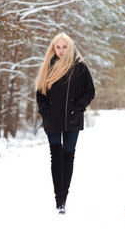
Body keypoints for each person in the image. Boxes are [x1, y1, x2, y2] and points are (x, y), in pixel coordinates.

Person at [35, 33, 95, 214]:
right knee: (56, 157)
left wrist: (77, 108)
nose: (60, 51)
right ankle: (58, 200)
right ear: (53, 48)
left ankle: (64, 199)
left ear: (70, 47)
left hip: (72, 119)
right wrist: (45, 111)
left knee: (68, 157)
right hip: (52, 119)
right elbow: (40, 93)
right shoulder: (48, 66)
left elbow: (90, 92)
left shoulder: (80, 68)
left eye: (64, 47)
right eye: (57, 47)